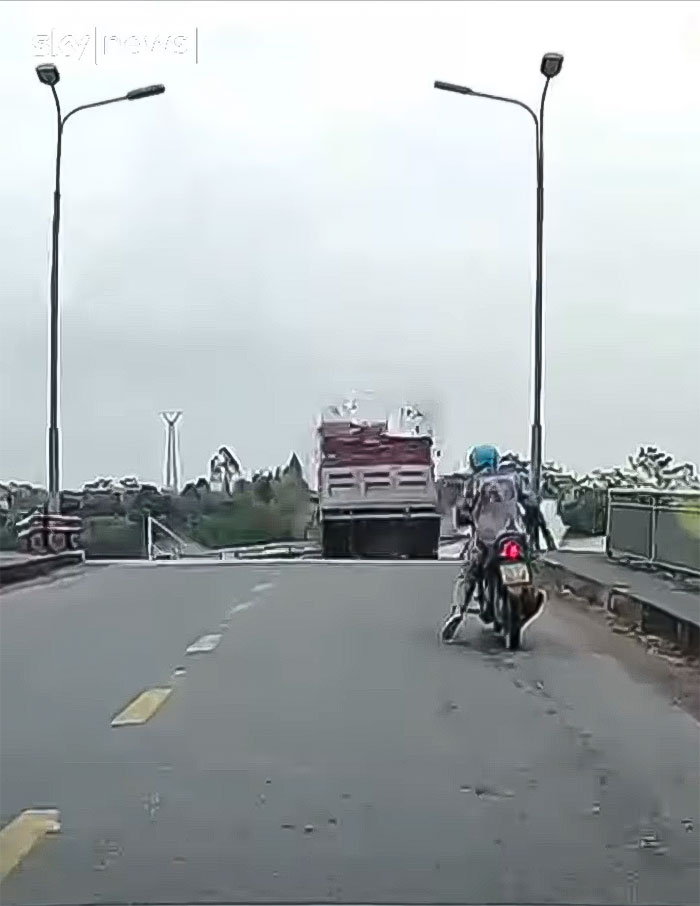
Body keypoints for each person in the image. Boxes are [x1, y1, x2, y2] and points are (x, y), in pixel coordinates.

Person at [440, 445, 553, 643]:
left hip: (487, 539)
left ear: (474, 462)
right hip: (515, 535)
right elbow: (532, 502)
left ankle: (458, 611)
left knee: (469, 573)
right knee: (530, 567)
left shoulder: (474, 483)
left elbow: (462, 511)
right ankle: (528, 598)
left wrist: (466, 519)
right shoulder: (515, 478)